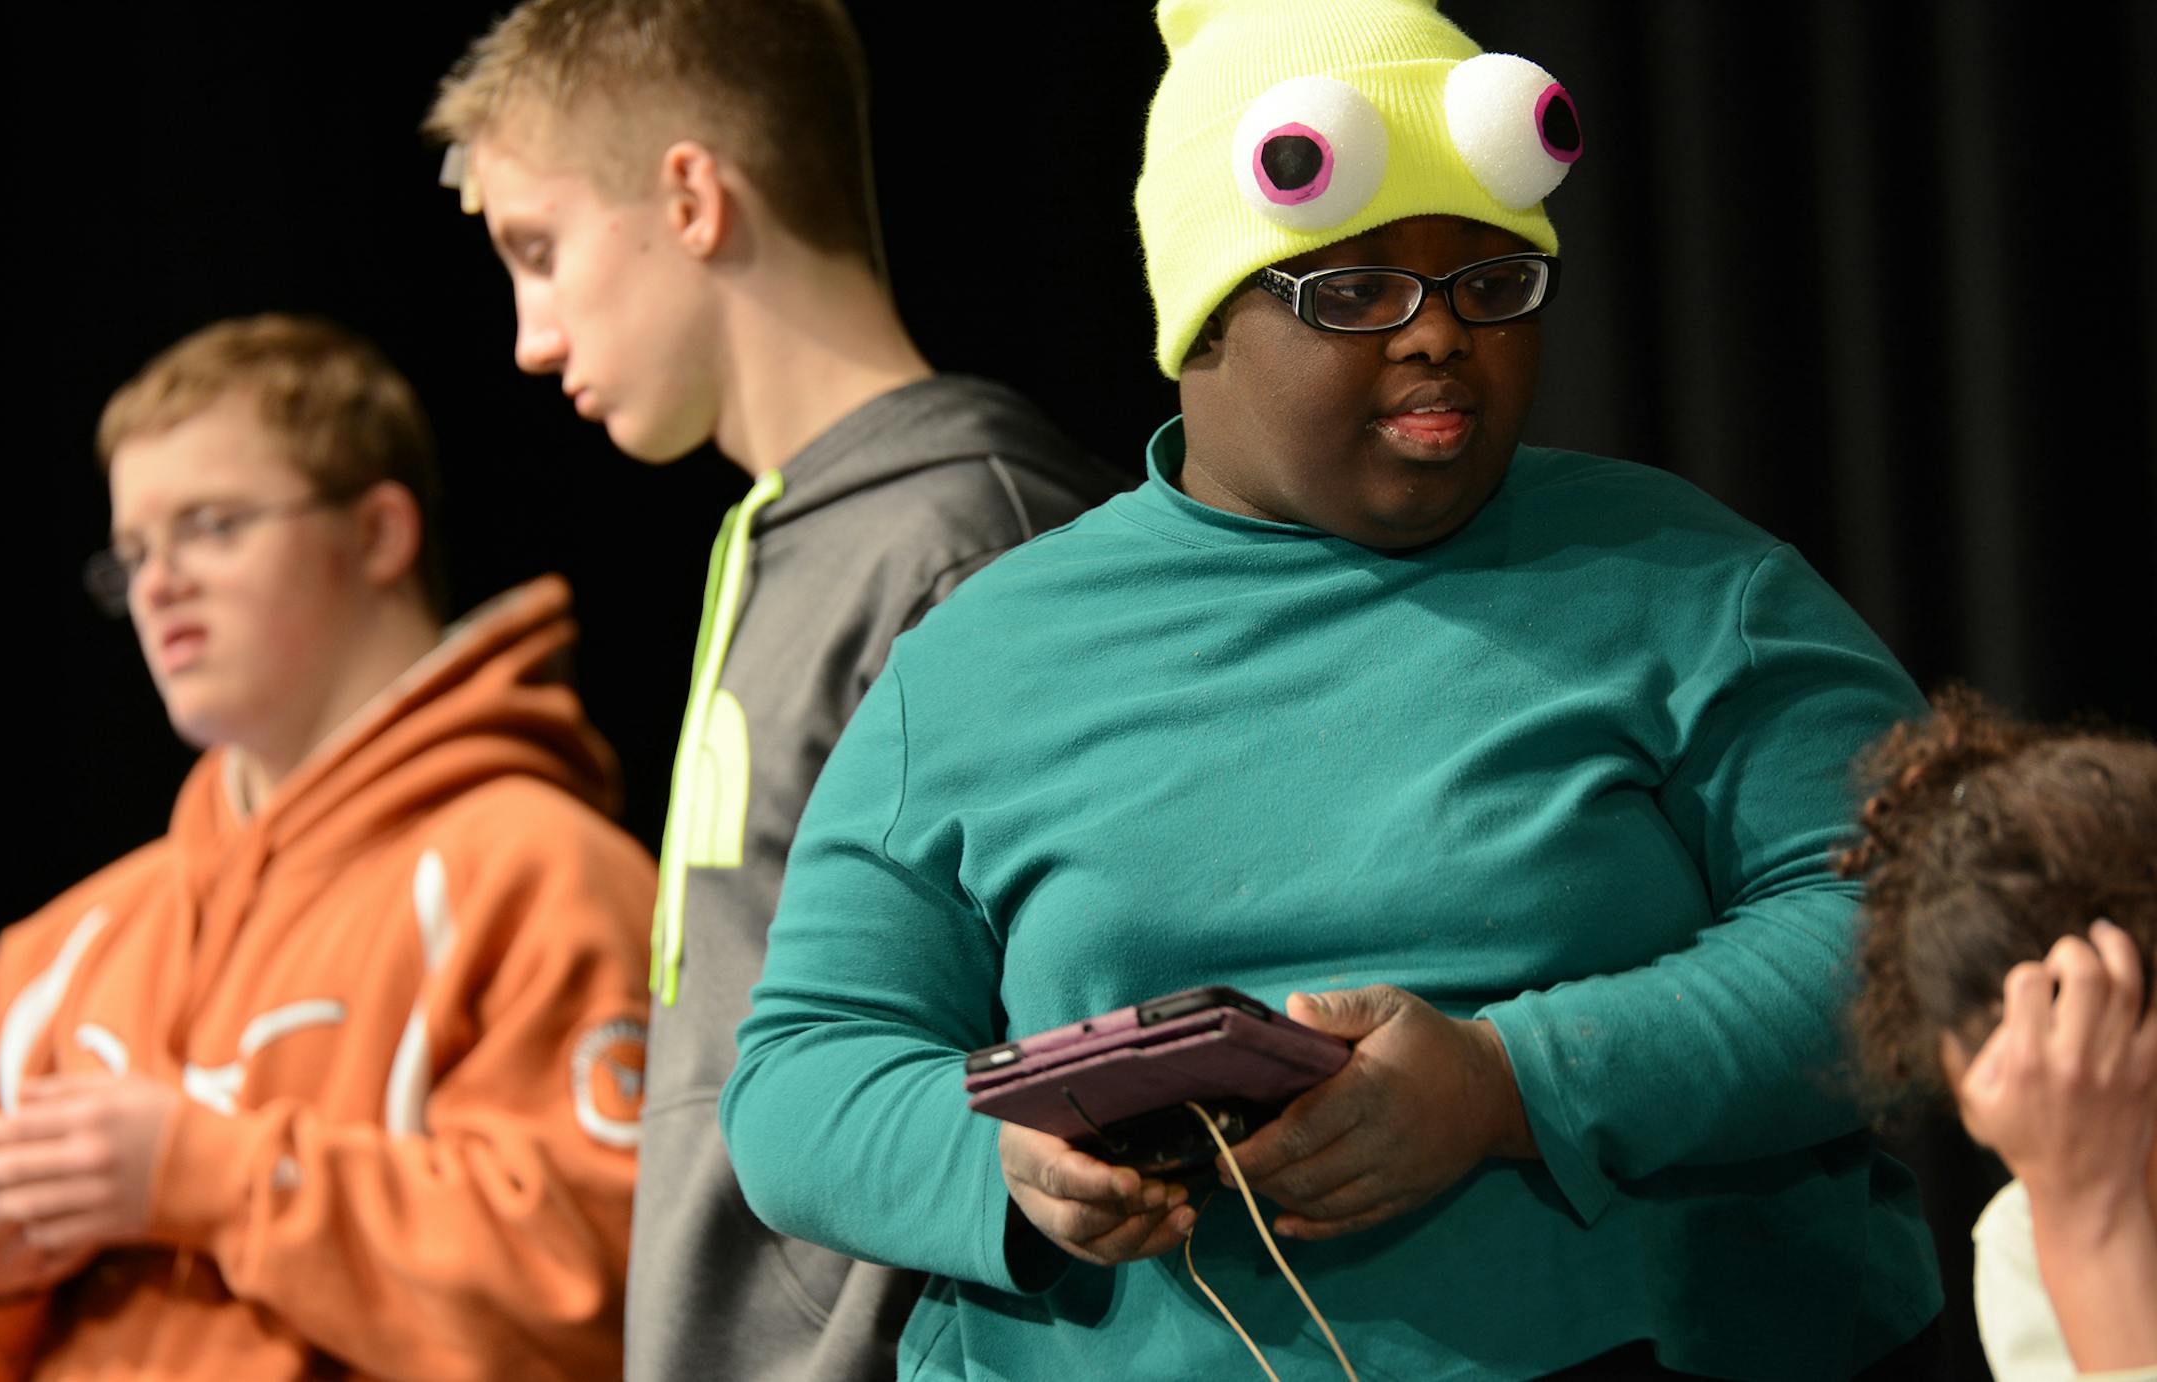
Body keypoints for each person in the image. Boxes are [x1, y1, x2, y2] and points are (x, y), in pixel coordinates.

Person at [720, 1, 1950, 1377]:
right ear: (1202, 327)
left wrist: (1513, 1085)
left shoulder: (1679, 576)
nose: (1438, 336)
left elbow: (1914, 914)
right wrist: (1002, 1163)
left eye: (1490, 283)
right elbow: (800, 1074)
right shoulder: (978, 657)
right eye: (1353, 290)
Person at [424, 4, 1122, 1378]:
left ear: (690, 196)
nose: (528, 334)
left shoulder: (969, 546)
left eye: (540, 251)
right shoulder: (785, 540)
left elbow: (1066, 1088)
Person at [0, 315, 655, 1380]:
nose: (159, 582)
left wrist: (209, 1175)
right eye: (134, 553)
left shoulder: (540, 871)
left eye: (210, 524)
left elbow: (607, 1286)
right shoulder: (64, 944)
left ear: (379, 533)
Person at [1839, 689, 2157, 1382]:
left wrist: (2093, 1231)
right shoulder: (2029, 1241)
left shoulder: (2070, 1224)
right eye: (2027, 1139)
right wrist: (2083, 1222)